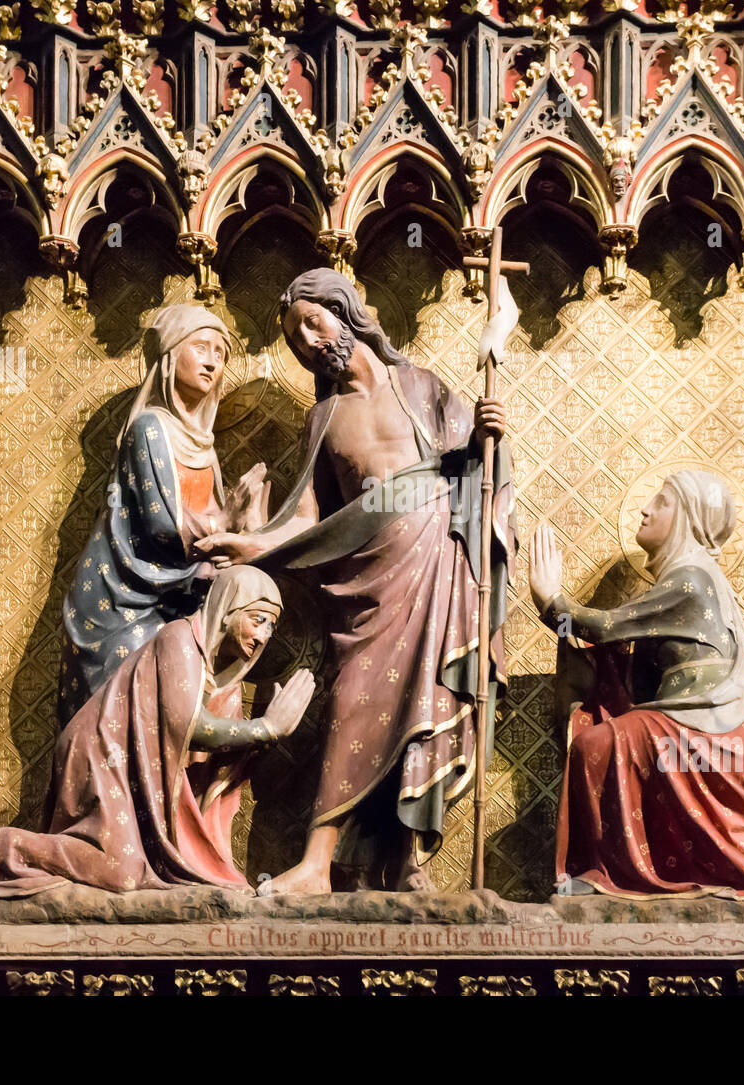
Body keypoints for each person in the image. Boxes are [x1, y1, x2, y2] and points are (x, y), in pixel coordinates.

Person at [197, 268, 515, 893]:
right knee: (352, 702)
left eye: (314, 322)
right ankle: (318, 864)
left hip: (440, 565)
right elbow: (307, 520)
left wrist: (491, 437)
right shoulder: (325, 417)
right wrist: (251, 544)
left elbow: (477, 477)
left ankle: (407, 863)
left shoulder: (421, 387)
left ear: (345, 313)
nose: (310, 342)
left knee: (429, 705)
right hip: (367, 585)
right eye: (296, 339)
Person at [529, 469, 744, 898]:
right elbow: (634, 669)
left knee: (596, 746)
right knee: (603, 740)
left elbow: (607, 627)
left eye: (661, 502)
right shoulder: (685, 579)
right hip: (688, 720)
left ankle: (609, 875)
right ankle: (619, 872)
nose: (646, 510)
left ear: (686, 518)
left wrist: (552, 602)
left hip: (700, 726)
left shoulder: (691, 579)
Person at [0, 566, 314, 897]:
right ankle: (9, 848)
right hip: (101, 752)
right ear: (227, 608)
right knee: (123, 872)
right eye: (258, 620)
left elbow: (212, 769)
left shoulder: (228, 685)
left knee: (137, 872)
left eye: (271, 627)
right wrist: (264, 728)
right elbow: (189, 726)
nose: (264, 636)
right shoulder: (179, 640)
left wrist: (259, 741)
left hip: (136, 777)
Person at [58, 304, 269, 724]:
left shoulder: (204, 446)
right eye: (202, 348)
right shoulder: (150, 427)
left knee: (178, 717)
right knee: (128, 718)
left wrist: (248, 524)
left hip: (178, 600)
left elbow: (213, 527)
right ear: (171, 357)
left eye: (221, 354)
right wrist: (227, 524)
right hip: (122, 601)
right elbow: (162, 527)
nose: (212, 361)